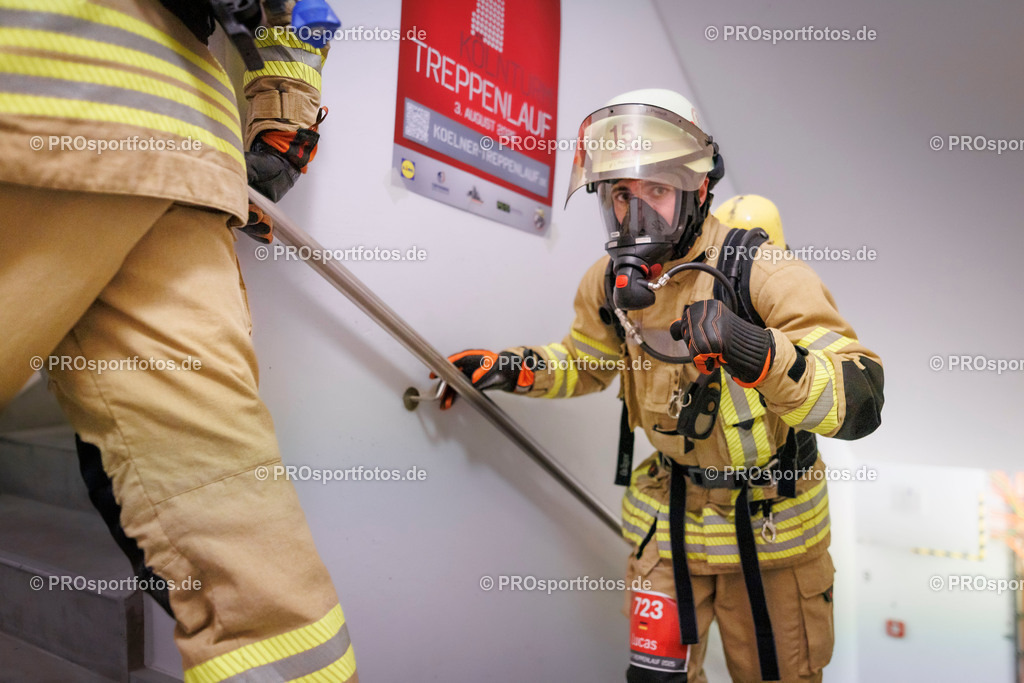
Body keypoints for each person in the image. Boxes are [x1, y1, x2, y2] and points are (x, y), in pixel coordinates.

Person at [439, 89, 884, 682]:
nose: (637, 213)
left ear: (697, 191)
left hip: (771, 531)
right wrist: (510, 368)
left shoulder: (762, 271)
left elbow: (860, 397)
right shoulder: (607, 282)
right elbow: (588, 362)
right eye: (623, 194)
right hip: (670, 521)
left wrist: (753, 349)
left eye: (656, 191)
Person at [0, 1, 356, 680]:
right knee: (259, 585)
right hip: (180, 149)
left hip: (35, 89)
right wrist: (283, 119)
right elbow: (306, 15)